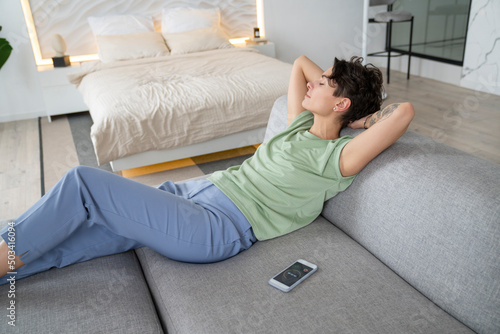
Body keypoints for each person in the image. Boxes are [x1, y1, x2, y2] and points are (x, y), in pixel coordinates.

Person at [0, 55, 414, 284]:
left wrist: (361, 119)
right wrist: (340, 92)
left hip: (216, 227)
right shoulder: (300, 123)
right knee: (72, 239)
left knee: (83, 183)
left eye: (324, 84)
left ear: (341, 105)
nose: (313, 83)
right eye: (320, 79)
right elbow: (300, 64)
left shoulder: (336, 158)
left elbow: (403, 112)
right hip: (188, 198)